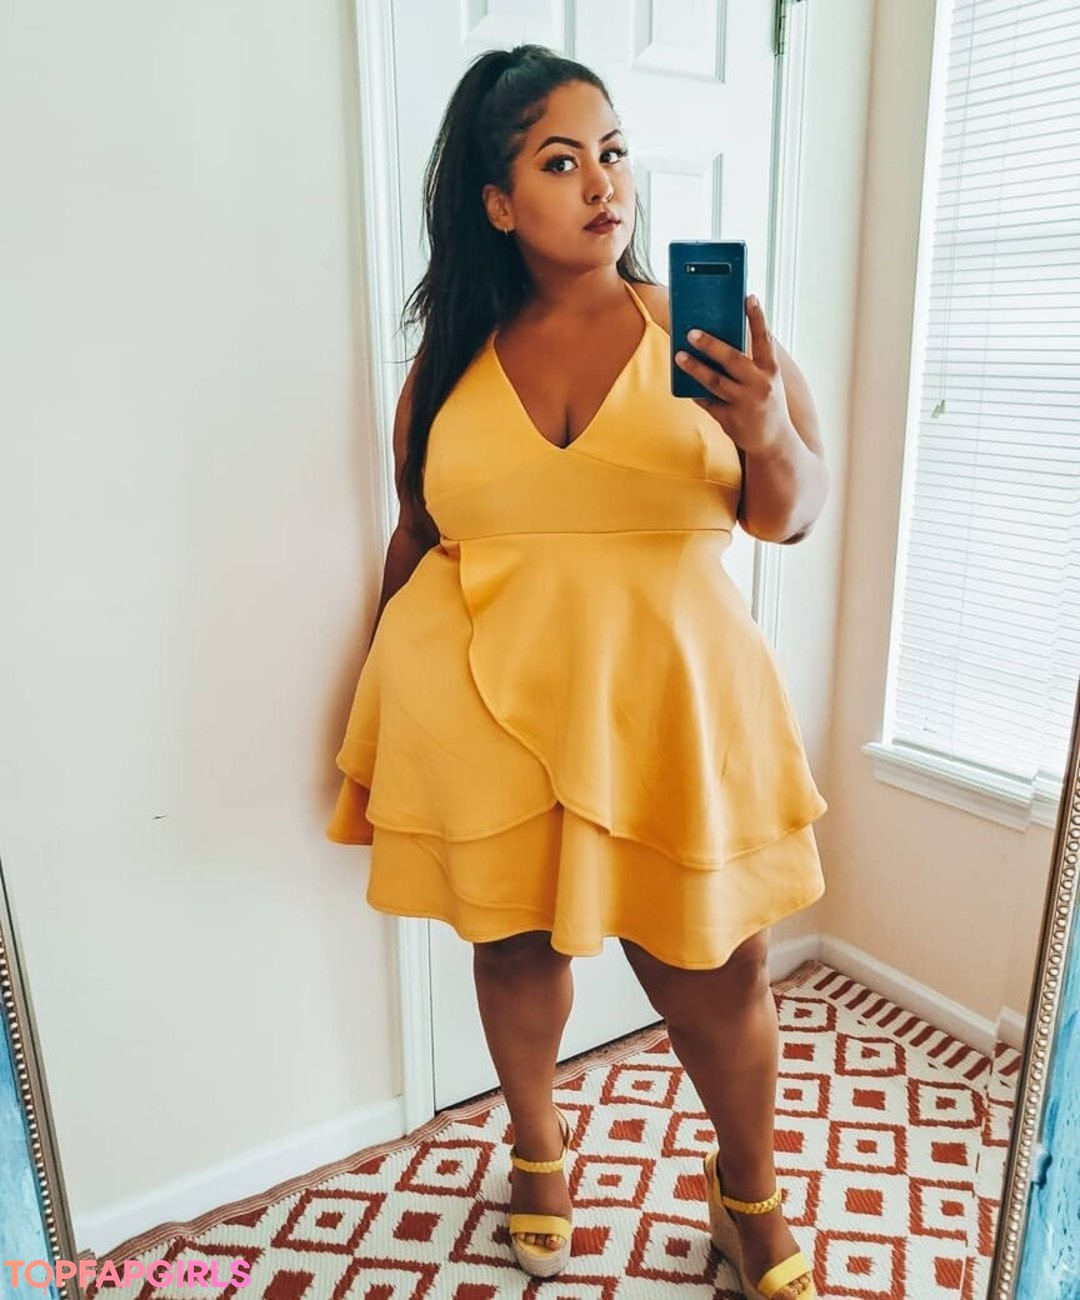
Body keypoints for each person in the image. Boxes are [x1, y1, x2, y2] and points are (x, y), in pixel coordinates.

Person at [327, 43, 828, 1300]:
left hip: (669, 705)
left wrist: (767, 428)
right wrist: (374, 721)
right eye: (562, 162)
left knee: (720, 968)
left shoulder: (700, 332)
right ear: (499, 203)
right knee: (512, 947)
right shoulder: (446, 365)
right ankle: (538, 1147)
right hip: (477, 709)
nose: (604, 183)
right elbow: (415, 536)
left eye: (613, 153)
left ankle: (748, 1194)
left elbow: (794, 513)